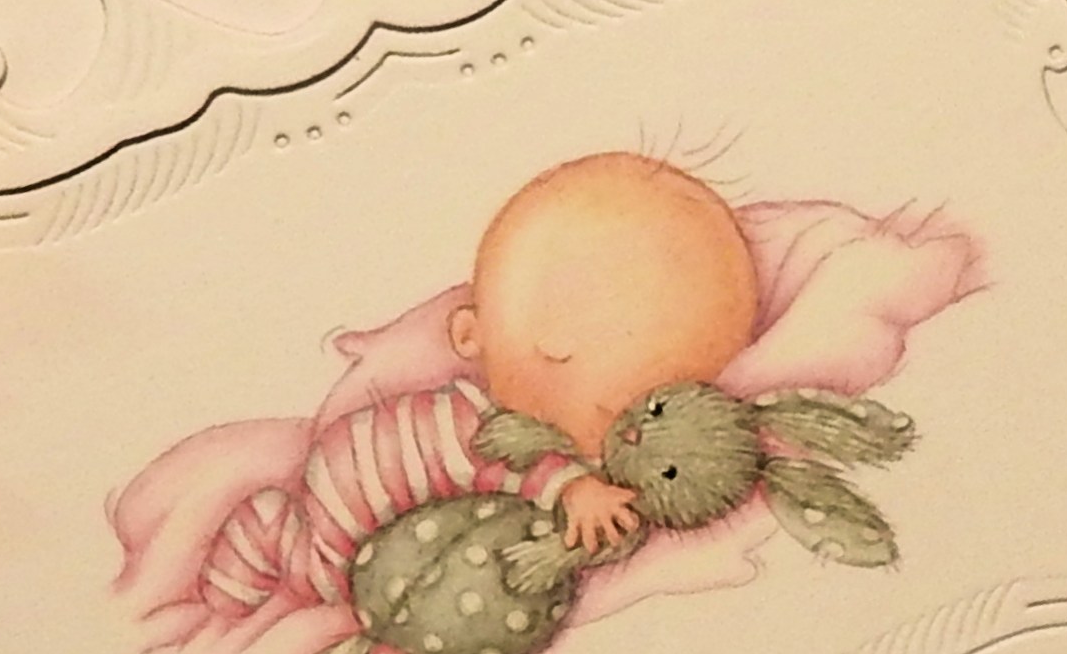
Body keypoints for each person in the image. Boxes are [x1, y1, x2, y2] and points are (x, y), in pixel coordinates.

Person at [200, 152, 761, 615]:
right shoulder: (488, 427)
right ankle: (242, 569)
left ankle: (260, 549)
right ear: (470, 334)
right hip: (355, 489)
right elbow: (509, 458)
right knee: (318, 575)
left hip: (356, 465)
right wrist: (575, 490)